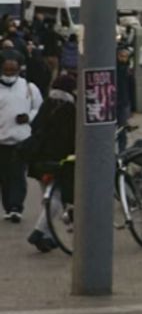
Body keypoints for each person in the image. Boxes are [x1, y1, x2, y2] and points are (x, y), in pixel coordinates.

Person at [25, 74, 77, 253]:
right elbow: (72, 138)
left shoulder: (47, 104)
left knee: (47, 197)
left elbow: (35, 126)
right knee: (56, 198)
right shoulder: (70, 109)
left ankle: (47, 237)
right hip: (59, 161)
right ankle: (38, 232)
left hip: (39, 160)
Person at [0, 52, 43, 223]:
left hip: (21, 140)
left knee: (18, 174)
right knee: (5, 176)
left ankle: (16, 207)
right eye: (7, 69)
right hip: (2, 140)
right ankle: (8, 206)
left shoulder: (29, 88)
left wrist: (28, 117)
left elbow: (39, 109)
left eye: (13, 69)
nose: (10, 73)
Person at [115, 45, 136, 152]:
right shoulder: (123, 71)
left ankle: (122, 150)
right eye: (121, 56)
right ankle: (121, 150)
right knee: (120, 128)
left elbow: (131, 89)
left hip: (123, 102)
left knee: (121, 128)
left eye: (125, 56)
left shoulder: (127, 72)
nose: (123, 58)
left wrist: (132, 107)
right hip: (118, 101)